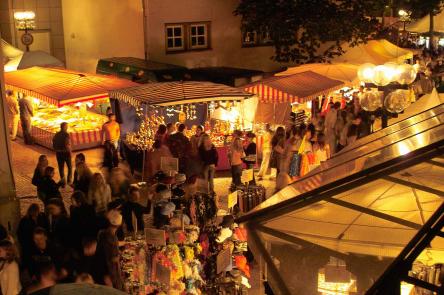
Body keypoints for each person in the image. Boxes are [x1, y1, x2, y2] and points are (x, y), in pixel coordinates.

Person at [95, 210, 124, 290]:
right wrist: (120, 255)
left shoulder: (102, 233)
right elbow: (114, 259)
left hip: (100, 269)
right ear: (119, 225)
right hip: (110, 272)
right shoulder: (113, 238)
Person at [52, 122, 72, 186]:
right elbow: (67, 144)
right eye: (67, 126)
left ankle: (63, 182)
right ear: (64, 127)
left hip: (58, 153)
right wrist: (70, 151)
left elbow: (53, 142)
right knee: (70, 167)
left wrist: (56, 149)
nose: (67, 127)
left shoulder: (57, 134)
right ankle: (69, 180)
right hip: (66, 153)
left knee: (61, 168)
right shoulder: (66, 135)